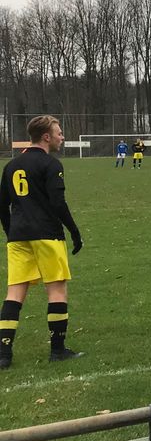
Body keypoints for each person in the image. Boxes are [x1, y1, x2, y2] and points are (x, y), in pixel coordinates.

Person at [0, 115, 83, 370]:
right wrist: (74, 231)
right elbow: (58, 203)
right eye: (59, 132)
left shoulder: (11, 166)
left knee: (14, 293)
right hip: (47, 234)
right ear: (46, 136)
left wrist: (10, 231)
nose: (62, 136)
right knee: (57, 290)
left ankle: (3, 354)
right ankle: (58, 350)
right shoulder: (51, 164)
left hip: (18, 236)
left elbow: (3, 206)